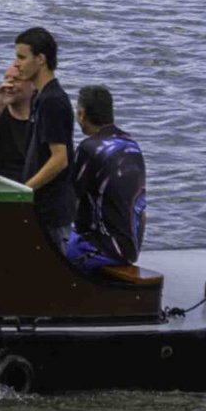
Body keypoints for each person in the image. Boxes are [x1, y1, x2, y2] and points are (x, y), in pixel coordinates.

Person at [61, 84, 147, 273]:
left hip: (105, 248)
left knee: (49, 245)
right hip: (131, 248)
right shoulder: (131, 145)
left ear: (82, 115)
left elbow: (70, 202)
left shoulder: (89, 148)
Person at [11, 26, 76, 239]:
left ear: (40, 59)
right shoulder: (40, 97)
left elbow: (60, 159)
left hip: (52, 212)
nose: (16, 64)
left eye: (22, 57)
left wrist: (24, 190)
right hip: (41, 208)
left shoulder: (52, 101)